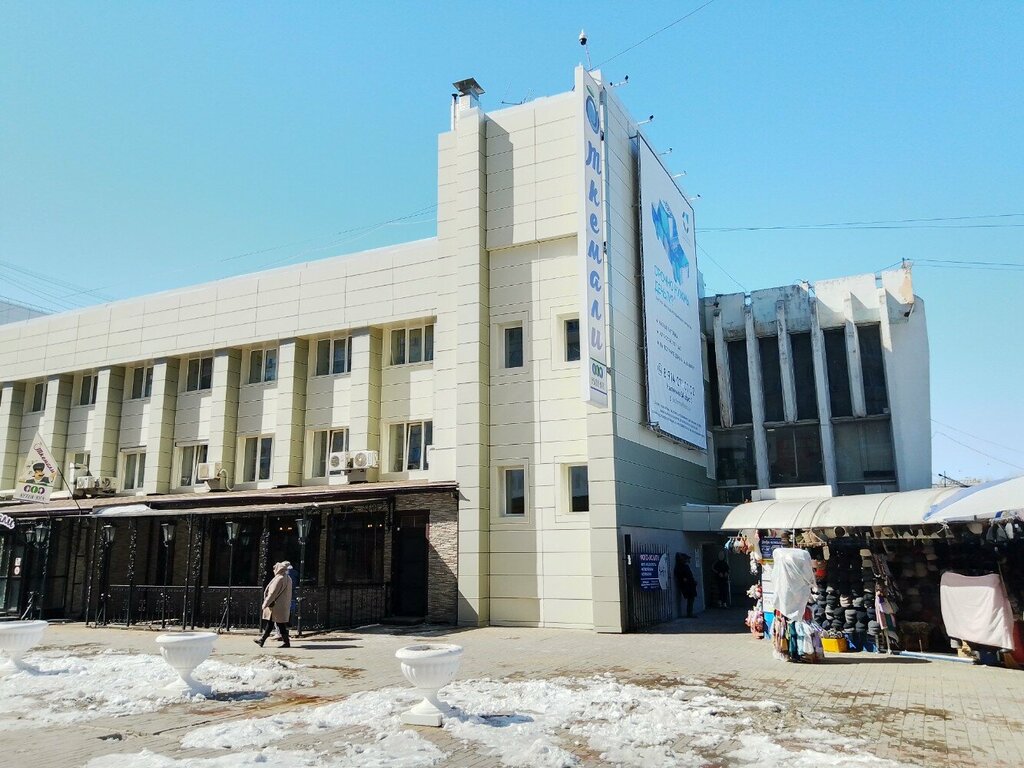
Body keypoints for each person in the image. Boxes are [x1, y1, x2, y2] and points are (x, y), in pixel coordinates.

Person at [254, 562, 292, 648]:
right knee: (275, 624)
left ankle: (285, 642)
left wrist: (265, 604)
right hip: (282, 605)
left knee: (276, 624)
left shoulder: (279, 579)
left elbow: (272, 593)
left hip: (276, 606)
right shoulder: (288, 578)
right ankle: (263, 640)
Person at [675, 552, 698, 618]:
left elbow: (689, 576)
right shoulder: (681, 567)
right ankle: (689, 613)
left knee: (691, 599)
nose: (687, 561)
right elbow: (681, 576)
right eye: (686, 559)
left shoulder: (682, 566)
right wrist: (684, 579)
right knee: (690, 599)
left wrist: (693, 581)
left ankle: (690, 613)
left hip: (689, 585)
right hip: (687, 586)